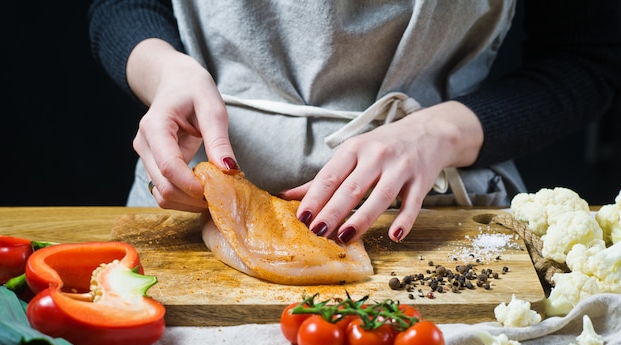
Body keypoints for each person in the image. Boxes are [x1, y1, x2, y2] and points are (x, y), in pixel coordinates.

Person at [88, 0, 621, 244]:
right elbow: (120, 5)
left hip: (441, 222)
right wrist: (166, 72)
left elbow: (587, 60)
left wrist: (437, 132)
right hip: (191, 204)